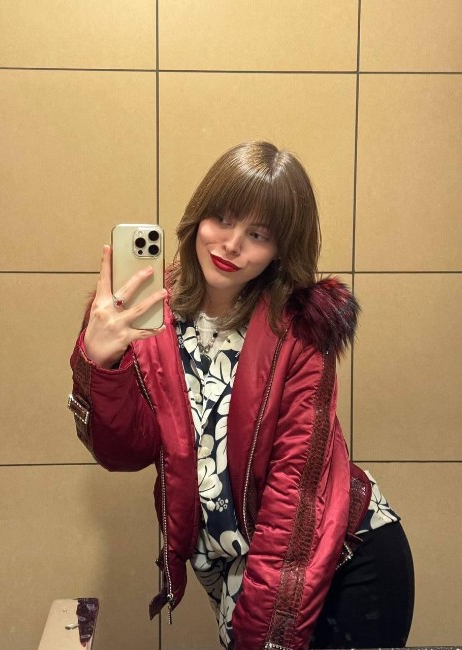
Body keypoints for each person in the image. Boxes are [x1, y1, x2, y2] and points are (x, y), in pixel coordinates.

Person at [68, 141, 414, 650]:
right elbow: (124, 453)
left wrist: (262, 632)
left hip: (343, 560)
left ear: (281, 249)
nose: (231, 245)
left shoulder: (300, 329)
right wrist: (101, 364)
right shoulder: (146, 314)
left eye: (258, 234)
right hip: (246, 574)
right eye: (223, 219)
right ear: (198, 216)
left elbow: (293, 496)